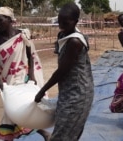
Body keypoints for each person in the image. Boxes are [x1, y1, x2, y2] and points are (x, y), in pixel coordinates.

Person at [34, 2, 94, 141]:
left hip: (79, 93)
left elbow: (62, 71)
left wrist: (42, 90)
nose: (61, 26)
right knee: (65, 127)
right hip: (67, 89)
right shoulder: (63, 35)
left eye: (65, 23)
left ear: (76, 21)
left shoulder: (75, 41)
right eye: (59, 22)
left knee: (69, 128)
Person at [0, 6, 50, 141]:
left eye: (0, 21)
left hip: (23, 77)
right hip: (7, 79)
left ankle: (6, 138)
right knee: (15, 108)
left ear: (10, 19)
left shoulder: (23, 36)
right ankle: (44, 134)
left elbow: (30, 57)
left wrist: (32, 76)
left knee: (17, 108)